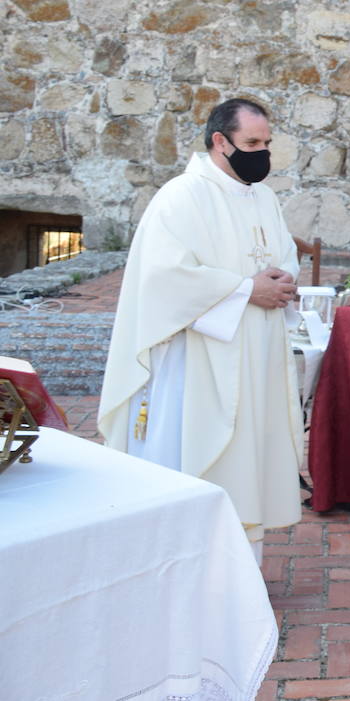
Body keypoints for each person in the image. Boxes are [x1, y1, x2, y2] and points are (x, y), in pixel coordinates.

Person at [98, 98, 303, 563]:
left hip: (257, 355)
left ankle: (240, 573)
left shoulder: (264, 197)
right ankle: (187, 570)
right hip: (199, 364)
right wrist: (244, 290)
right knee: (200, 460)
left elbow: (283, 255)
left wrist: (283, 281)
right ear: (219, 141)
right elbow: (162, 277)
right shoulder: (181, 195)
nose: (262, 153)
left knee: (248, 464)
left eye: (267, 143)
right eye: (252, 143)